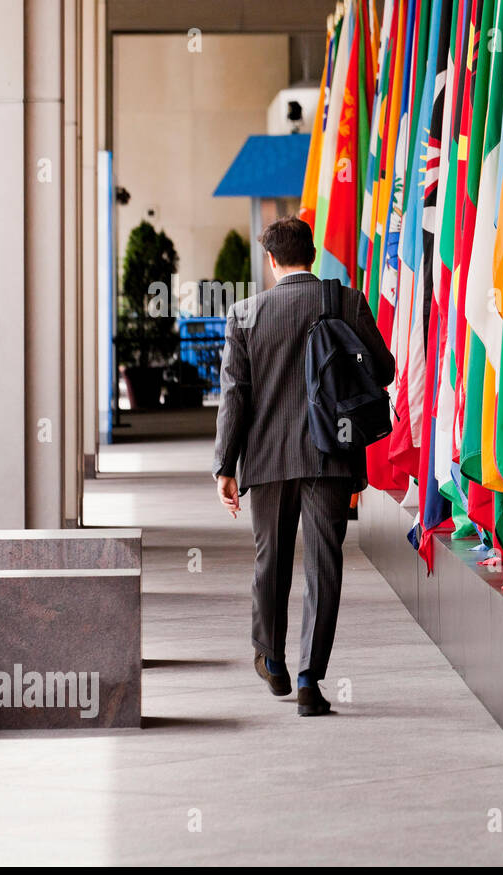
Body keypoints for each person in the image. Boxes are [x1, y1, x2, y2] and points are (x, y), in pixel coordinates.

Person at [211, 216, 395, 716]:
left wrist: (224, 465)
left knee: (270, 562)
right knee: (323, 566)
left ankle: (272, 660)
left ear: (271, 260)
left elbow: (235, 396)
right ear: (312, 255)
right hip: (330, 456)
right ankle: (311, 680)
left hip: (267, 461)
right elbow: (386, 369)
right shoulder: (345, 300)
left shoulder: (244, 314)